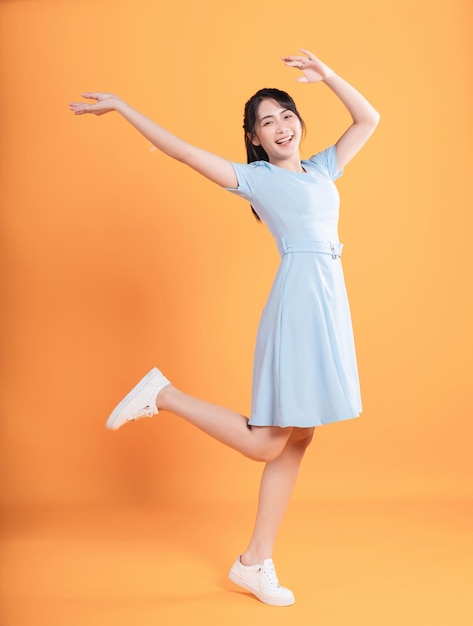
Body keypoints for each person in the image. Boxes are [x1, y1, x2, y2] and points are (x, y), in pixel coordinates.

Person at [69, 48, 379, 607]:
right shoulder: (256, 179)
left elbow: (369, 119)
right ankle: (163, 394)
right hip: (300, 305)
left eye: (287, 114)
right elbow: (184, 153)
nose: (281, 126)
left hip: (329, 301)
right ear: (255, 139)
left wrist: (328, 75)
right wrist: (123, 108)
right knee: (269, 444)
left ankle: (255, 562)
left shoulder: (322, 168)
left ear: (299, 122)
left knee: (298, 437)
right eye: (267, 122)